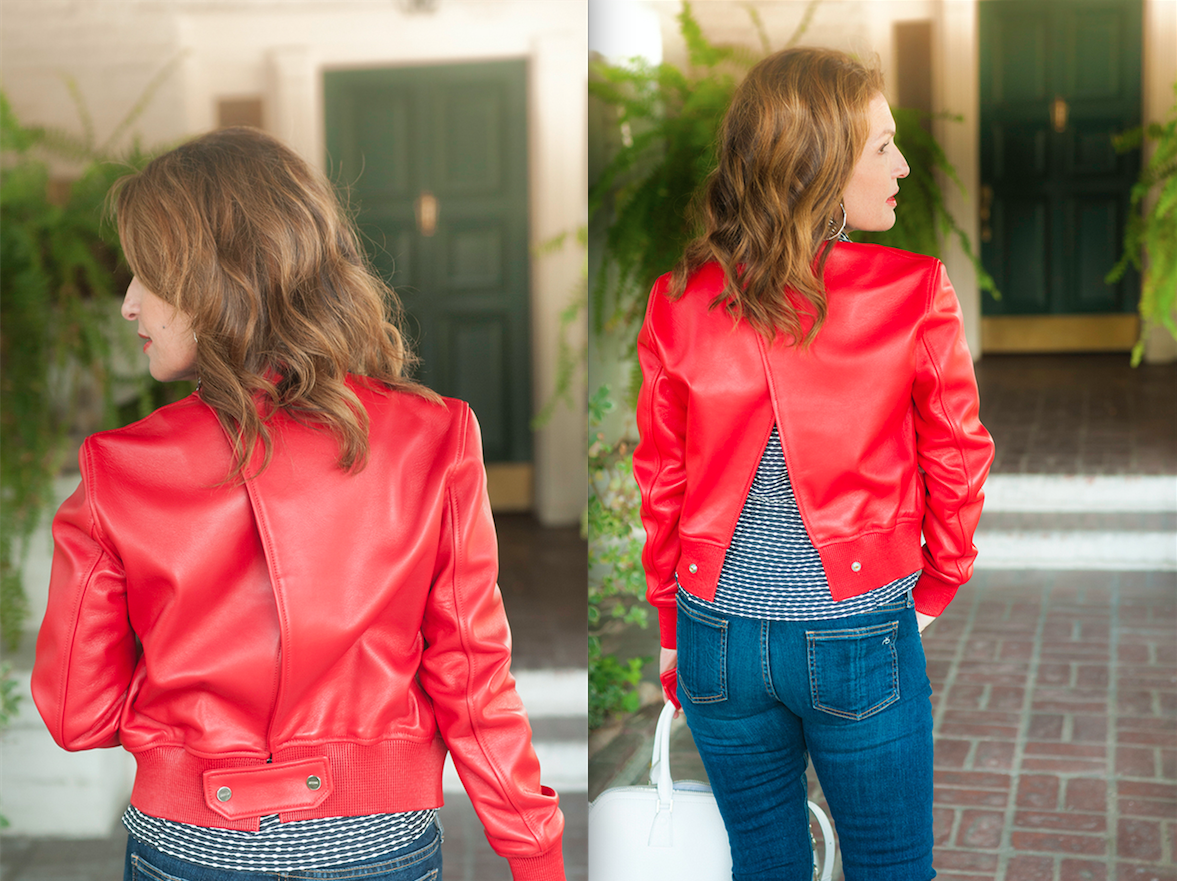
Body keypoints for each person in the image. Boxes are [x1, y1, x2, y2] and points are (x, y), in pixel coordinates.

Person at [31, 126, 565, 881]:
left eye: (147, 276)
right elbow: (472, 678)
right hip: (379, 842)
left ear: (215, 278)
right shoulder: (437, 435)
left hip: (191, 845)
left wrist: (183, 736)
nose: (127, 304)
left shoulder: (115, 468)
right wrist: (533, 850)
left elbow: (75, 715)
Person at [633, 48, 994, 880]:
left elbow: (661, 476)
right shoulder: (916, 289)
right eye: (881, 147)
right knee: (891, 865)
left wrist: (667, 627)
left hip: (713, 632)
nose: (902, 165)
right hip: (857, 627)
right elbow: (958, 453)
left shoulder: (676, 297)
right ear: (820, 165)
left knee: (764, 862)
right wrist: (939, 583)